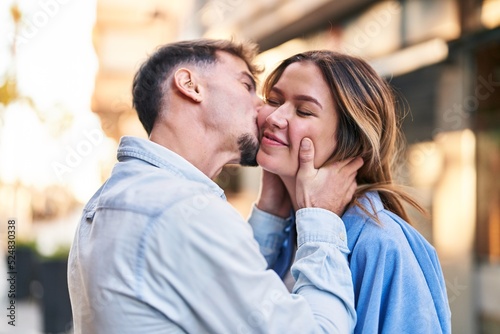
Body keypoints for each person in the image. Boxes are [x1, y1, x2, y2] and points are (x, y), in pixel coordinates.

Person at [67, 39, 363, 333]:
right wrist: (321, 221)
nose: (264, 110)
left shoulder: (114, 199)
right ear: (190, 85)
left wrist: (270, 213)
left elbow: (229, 296)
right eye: (247, 85)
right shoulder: (182, 211)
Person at [255, 50, 452, 333]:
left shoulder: (382, 242)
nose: (275, 117)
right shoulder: (287, 233)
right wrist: (269, 210)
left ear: (351, 140)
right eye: (274, 100)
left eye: (304, 111)